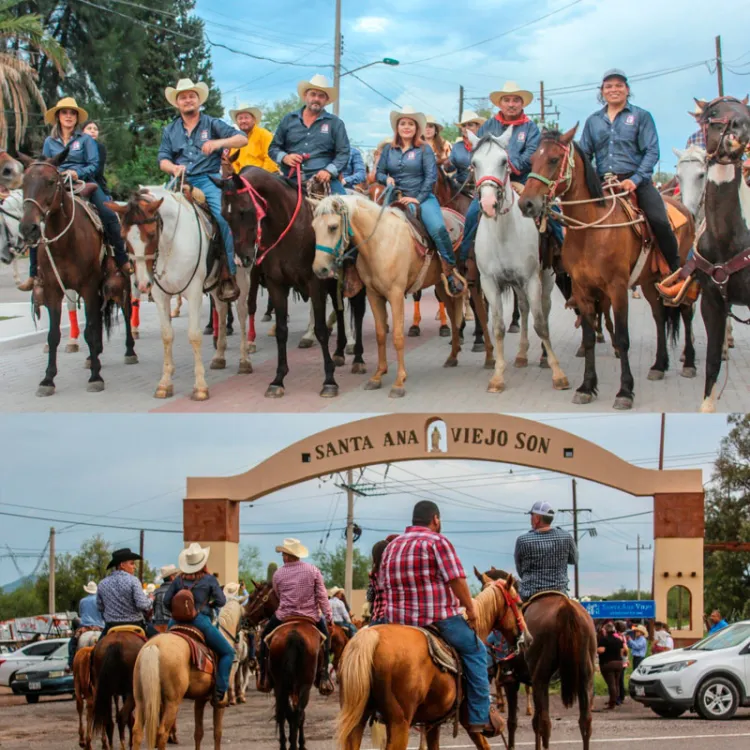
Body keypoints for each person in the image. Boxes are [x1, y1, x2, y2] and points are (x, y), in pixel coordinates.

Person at [380, 500, 504, 738]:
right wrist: (470, 607)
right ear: (435, 519)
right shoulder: (438, 542)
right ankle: (479, 716)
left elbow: (384, 584)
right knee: (477, 651)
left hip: (397, 622)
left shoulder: (392, 546)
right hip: (437, 619)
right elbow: (456, 579)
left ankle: (376, 707)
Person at [18, 97, 132, 292]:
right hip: (55, 184)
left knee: (107, 214)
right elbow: (46, 165)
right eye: (64, 113)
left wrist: (76, 173)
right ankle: (34, 274)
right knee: (35, 219)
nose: (68, 116)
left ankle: (121, 260)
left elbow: (94, 165)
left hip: (84, 182)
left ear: (77, 118)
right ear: (58, 117)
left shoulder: (86, 140)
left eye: (72, 113)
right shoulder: (49, 141)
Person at [578, 69, 680, 282]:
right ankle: (577, 281)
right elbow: (584, 154)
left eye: (618, 86)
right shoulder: (593, 121)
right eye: (609, 86)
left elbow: (652, 151)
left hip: (636, 181)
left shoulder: (641, 116)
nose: (614, 89)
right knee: (572, 222)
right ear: (602, 92)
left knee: (660, 220)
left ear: (627, 90)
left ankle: (676, 273)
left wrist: (634, 180)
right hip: (601, 183)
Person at [157, 78, 248, 303]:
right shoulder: (170, 130)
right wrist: (173, 167)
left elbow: (242, 139)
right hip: (181, 180)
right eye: (183, 97)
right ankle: (158, 273)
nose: (187, 100)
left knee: (222, 217)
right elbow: (162, 159)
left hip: (209, 179)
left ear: (198, 100)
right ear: (177, 103)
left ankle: (228, 273)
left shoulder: (212, 123)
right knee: (156, 216)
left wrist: (218, 144)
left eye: (191, 96)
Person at [376, 106, 465, 296]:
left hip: (422, 197)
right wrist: (386, 179)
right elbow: (379, 172)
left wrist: (417, 198)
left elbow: (431, 177)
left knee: (438, 228)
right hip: (394, 197)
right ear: (397, 127)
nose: (406, 127)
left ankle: (450, 270)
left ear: (416, 128)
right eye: (403, 124)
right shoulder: (388, 150)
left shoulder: (424, 149)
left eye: (410, 124)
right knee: (369, 226)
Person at [458, 82, 542, 265]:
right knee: (472, 214)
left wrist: (508, 167)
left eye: (515, 100)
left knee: (550, 213)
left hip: (522, 180)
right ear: (500, 104)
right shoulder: (488, 126)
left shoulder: (531, 128)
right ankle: (464, 259)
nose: (511, 104)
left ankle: (555, 254)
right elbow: (477, 153)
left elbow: (531, 156)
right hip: (492, 181)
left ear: (522, 104)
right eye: (507, 100)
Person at [257, 538, 334, 695]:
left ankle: (264, 676)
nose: (283, 557)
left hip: (284, 615)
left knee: (264, 639)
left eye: (283, 554)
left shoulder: (278, 574)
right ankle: (324, 676)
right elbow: (322, 596)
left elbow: (278, 594)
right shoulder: (313, 571)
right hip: (310, 616)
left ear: (287, 556)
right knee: (326, 640)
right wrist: (329, 616)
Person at [164, 543, 235, 705]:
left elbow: (166, 601)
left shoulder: (178, 580)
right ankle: (219, 691)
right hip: (199, 621)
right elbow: (221, 601)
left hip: (175, 622)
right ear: (202, 562)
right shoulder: (209, 579)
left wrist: (177, 611)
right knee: (228, 653)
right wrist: (208, 604)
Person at [269, 74, 350, 196]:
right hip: (291, 179)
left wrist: (328, 171)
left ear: (326, 100)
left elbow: (343, 153)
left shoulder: (335, 123)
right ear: (305, 96)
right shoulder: (289, 119)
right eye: (313, 94)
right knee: (267, 208)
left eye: (321, 96)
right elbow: (273, 148)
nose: (316, 98)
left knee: (345, 208)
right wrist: (285, 157)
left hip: (324, 180)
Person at [513, 501, 578, 602]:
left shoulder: (523, 540)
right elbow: (574, 560)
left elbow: (520, 569)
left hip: (530, 594)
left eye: (532, 515)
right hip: (560, 591)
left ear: (537, 519)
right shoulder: (566, 536)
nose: (530, 519)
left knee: (514, 615)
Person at [96, 547, 157, 639]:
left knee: (96, 649)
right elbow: (142, 605)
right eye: (132, 563)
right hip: (135, 624)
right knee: (159, 641)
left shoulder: (102, 583)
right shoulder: (133, 580)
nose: (134, 567)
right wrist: (151, 600)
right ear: (122, 565)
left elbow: (100, 607)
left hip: (111, 626)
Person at [226, 104, 278, 173]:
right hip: (243, 178)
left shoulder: (264, 135)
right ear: (237, 122)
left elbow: (271, 159)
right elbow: (234, 162)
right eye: (240, 118)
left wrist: (260, 176)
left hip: (266, 176)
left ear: (254, 120)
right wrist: (239, 178)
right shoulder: (236, 139)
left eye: (246, 118)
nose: (243, 121)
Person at [68, 580, 105, 667]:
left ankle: (71, 663)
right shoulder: (101, 601)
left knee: (72, 642)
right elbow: (103, 615)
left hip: (85, 628)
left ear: (87, 590)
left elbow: (81, 614)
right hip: (100, 627)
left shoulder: (82, 601)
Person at [450, 111, 487, 190]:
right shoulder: (457, 147)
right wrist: (447, 164)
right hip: (460, 188)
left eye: (470, 125)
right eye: (463, 126)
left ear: (478, 127)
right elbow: (451, 169)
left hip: (482, 188)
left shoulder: (486, 146)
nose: (466, 128)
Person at [367, 536, 398, 626]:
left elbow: (370, 597)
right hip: (390, 616)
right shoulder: (393, 570)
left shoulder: (373, 573)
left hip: (376, 617)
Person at [597, 622, 626, 710]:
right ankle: (615, 700)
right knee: (616, 683)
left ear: (605, 630)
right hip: (618, 663)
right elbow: (622, 651)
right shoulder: (619, 640)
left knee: (611, 684)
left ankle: (612, 704)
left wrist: (595, 649)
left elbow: (601, 650)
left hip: (607, 663)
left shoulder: (604, 640)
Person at [82, 120, 108, 193]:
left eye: (95, 129)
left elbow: (98, 170)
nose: (93, 131)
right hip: (74, 180)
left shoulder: (100, 148)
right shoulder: (76, 145)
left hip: (94, 181)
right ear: (82, 131)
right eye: (89, 128)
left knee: (104, 203)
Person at [152, 564, 178, 629]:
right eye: (176, 575)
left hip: (156, 624)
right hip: (171, 623)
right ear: (172, 577)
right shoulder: (176, 590)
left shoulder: (156, 591)